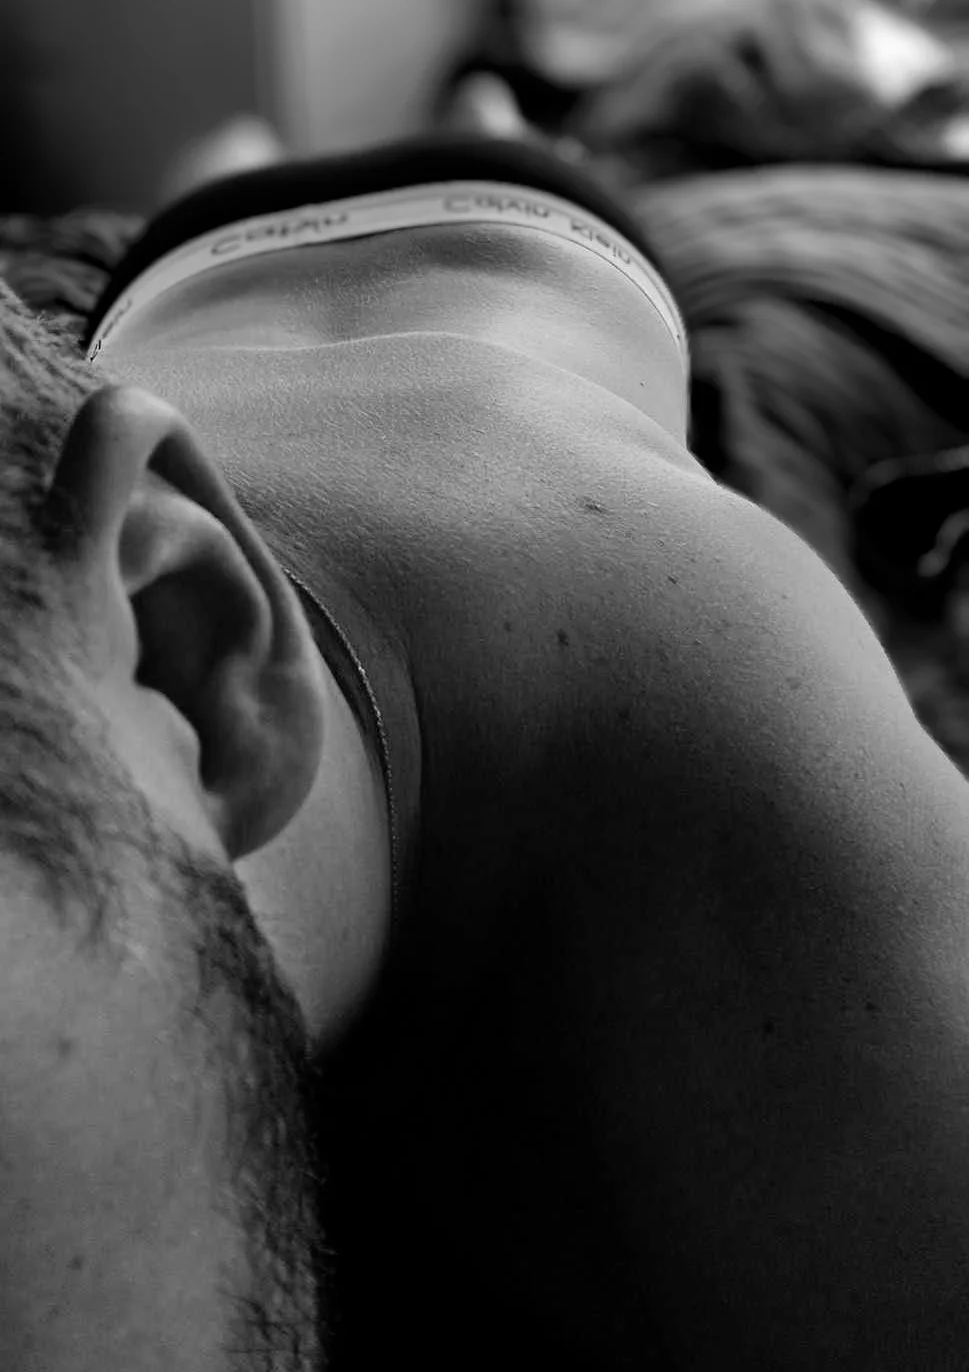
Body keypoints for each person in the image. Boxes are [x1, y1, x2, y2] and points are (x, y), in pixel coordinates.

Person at [2, 128, 969, 1370]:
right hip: (170, 290)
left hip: (526, 232)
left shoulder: (779, 842)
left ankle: (492, 122)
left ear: (190, 658)